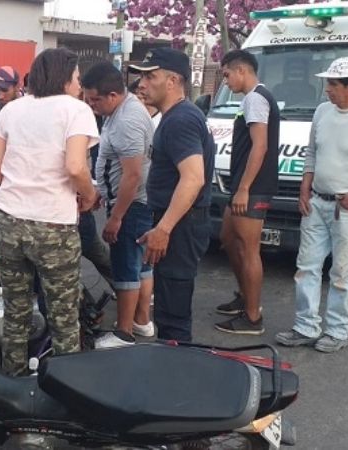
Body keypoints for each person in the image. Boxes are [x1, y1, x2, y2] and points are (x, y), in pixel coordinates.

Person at [0, 48, 99, 376]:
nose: (79, 85)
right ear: (64, 79)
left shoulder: (10, 110)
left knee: (15, 312)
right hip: (53, 226)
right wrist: (90, 195)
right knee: (64, 318)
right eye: (76, 78)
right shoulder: (76, 110)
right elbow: (76, 166)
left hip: (7, 220)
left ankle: (13, 383)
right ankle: (66, 389)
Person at [275, 57, 348, 353]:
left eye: (333, 84)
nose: (327, 90)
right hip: (316, 202)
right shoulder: (323, 111)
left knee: (342, 272)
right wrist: (305, 187)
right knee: (306, 267)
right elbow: (312, 153)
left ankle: (337, 331)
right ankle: (306, 326)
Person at [129, 48, 214, 342]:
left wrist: (164, 229)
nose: (142, 84)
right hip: (179, 222)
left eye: (150, 77)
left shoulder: (181, 120)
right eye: (141, 77)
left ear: (173, 80)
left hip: (181, 226)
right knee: (168, 308)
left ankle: (176, 365)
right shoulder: (177, 116)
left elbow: (193, 178)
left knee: (173, 316)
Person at [81, 61, 155, 348]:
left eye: (95, 100)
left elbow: (133, 174)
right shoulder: (122, 110)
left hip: (132, 205)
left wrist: (116, 217)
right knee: (141, 265)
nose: (92, 106)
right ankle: (141, 321)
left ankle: (124, 333)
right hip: (131, 202)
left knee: (125, 267)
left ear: (113, 95)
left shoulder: (127, 120)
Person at [214, 50, 280, 336]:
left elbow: (260, 146)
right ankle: (244, 297)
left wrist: (244, 188)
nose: (226, 81)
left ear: (241, 70)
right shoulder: (251, 99)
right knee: (228, 238)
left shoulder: (256, 98)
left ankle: (252, 318)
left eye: (227, 74)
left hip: (253, 188)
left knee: (249, 249)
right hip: (242, 186)